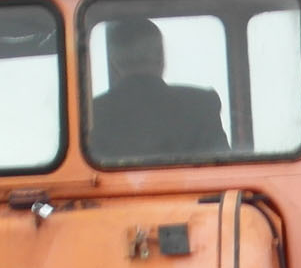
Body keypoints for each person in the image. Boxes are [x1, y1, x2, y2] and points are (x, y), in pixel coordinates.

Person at [90, 18, 230, 161]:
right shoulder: (202, 104)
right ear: (160, 56)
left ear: (115, 61)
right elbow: (223, 168)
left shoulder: (92, 113)